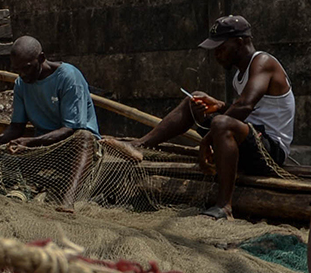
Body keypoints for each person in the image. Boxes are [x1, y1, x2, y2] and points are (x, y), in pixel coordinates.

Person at [125, 15, 295, 219]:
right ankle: (140, 144)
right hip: (250, 137)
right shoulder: (239, 76)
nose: (217, 55)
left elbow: (245, 105)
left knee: (221, 123)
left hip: (271, 150)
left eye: (221, 48)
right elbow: (249, 111)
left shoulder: (263, 62)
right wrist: (219, 106)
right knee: (195, 100)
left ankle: (224, 206)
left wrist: (207, 140)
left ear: (239, 43)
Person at [0, 36, 100, 209]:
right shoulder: (21, 83)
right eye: (18, 70)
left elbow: (71, 128)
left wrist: (31, 142)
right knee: (0, 163)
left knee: (84, 138)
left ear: (41, 59)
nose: (23, 74)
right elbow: (16, 128)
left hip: (73, 146)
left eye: (27, 68)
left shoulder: (69, 77)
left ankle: (67, 203)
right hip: (43, 147)